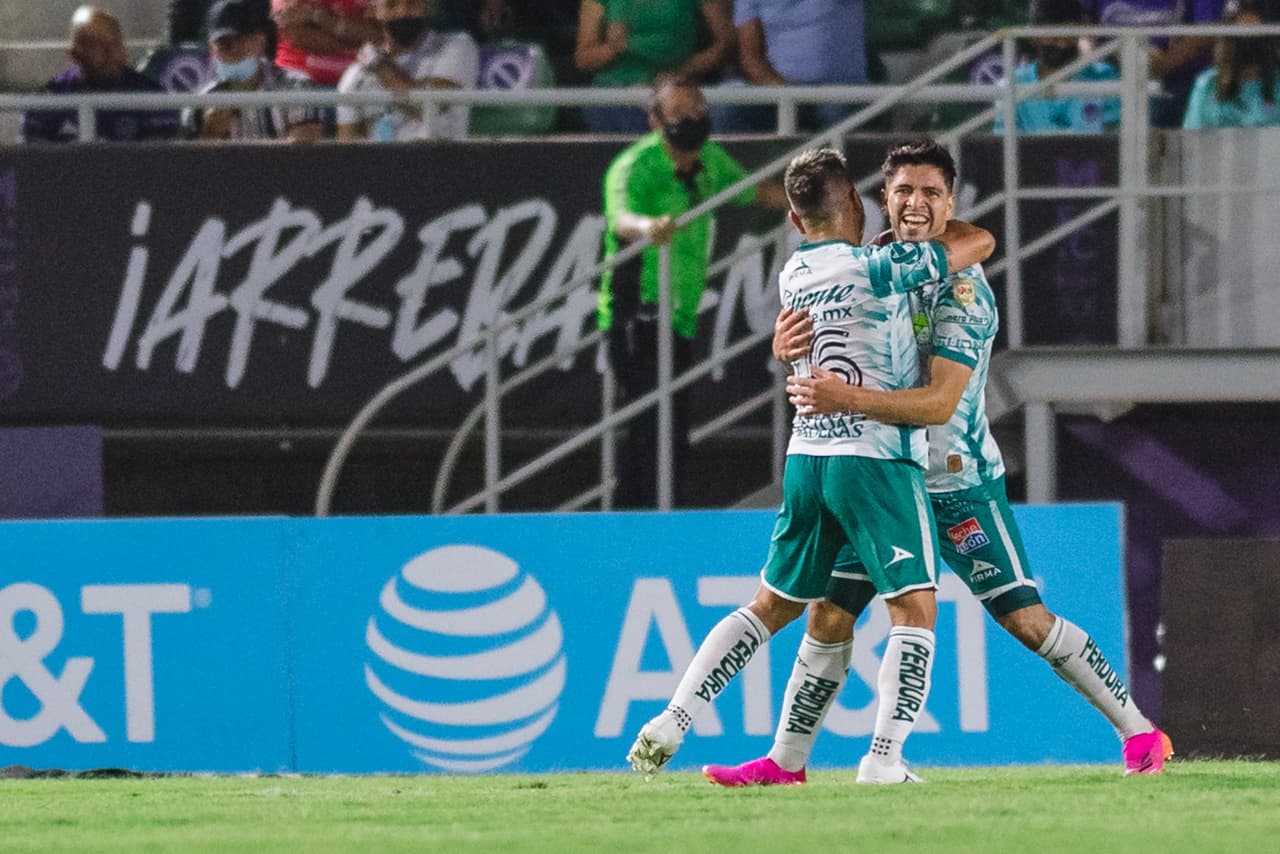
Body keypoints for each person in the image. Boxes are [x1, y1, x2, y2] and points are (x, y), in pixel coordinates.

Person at [701, 138, 1173, 788]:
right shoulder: (863, 264)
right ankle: (789, 764)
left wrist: (843, 396)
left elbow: (938, 401)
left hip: (955, 485)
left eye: (930, 192)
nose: (915, 203)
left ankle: (1139, 730)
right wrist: (786, 345)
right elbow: (823, 356)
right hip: (880, 477)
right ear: (882, 200)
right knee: (829, 613)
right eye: (903, 191)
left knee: (1024, 620)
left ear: (950, 201)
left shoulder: (964, 292)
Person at [626, 146, 998, 784]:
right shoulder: (878, 268)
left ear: (797, 223)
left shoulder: (794, 274)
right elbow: (974, 244)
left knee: (771, 603)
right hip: (874, 458)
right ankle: (884, 760)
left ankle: (672, 718)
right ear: (858, 203)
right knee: (915, 608)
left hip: (807, 456)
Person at [597, 77, 787, 509]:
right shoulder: (635, 166)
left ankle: (652, 512)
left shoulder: (709, 160)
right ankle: (642, 516)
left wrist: (811, 206)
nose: (691, 120)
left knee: (669, 422)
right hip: (635, 313)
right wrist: (649, 227)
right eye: (679, 114)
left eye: (698, 110)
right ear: (655, 120)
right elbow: (621, 218)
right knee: (652, 422)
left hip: (680, 316)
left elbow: (754, 190)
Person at [21, 6, 180, 144]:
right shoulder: (46, 104)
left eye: (116, 44)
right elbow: (34, 170)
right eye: (97, 46)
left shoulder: (153, 99)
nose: (111, 54)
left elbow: (158, 168)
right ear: (74, 53)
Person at [574, 0, 735, 133]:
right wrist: (611, 49)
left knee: (687, 112)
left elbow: (724, 43)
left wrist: (680, 74)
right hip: (616, 91)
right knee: (617, 114)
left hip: (678, 88)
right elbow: (584, 59)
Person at [711, 0, 869, 133]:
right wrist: (788, 95)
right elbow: (751, 59)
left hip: (838, 87)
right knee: (723, 109)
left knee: (836, 111)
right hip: (778, 90)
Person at [335, 0, 480, 140]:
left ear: (428, 5)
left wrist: (380, 66)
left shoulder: (457, 46)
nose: (403, 12)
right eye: (392, 4)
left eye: (412, 2)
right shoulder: (355, 75)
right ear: (374, 10)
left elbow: (429, 105)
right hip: (381, 163)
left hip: (440, 161)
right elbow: (348, 148)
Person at [184, 0, 326, 141]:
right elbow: (193, 162)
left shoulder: (297, 88)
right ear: (212, 49)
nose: (234, 49)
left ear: (260, 41)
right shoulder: (199, 103)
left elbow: (304, 156)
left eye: (241, 41)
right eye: (224, 44)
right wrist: (211, 134)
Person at [1077, 0, 1227, 127]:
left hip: (1177, 83)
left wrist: (1163, 64)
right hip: (1112, 76)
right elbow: (1079, 21)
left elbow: (1207, 31)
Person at [993, 0, 1121, 134]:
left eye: (1069, 33)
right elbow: (1003, 148)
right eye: (1051, 34)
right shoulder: (1012, 85)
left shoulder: (1104, 77)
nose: (1061, 43)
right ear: (1033, 37)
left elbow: (1113, 143)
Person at [1183, 0, 1280, 128]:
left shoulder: (1276, 85)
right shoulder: (1207, 84)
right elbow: (1192, 139)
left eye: (1252, 36)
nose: (1242, 45)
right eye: (1231, 37)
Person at [272, 0, 382, 86]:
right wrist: (355, 40)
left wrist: (321, 18)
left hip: (360, 81)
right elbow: (298, 35)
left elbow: (379, 35)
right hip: (300, 78)